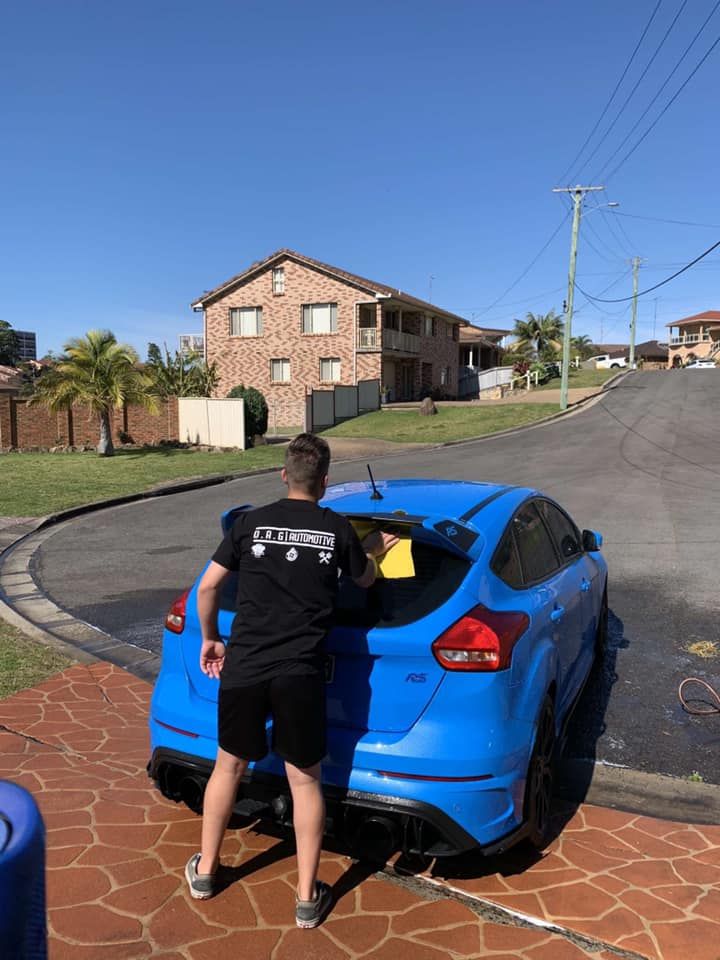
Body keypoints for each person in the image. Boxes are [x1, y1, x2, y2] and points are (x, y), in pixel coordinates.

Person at [184, 433, 397, 928]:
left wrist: (211, 638)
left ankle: (207, 872)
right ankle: (306, 898)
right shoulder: (336, 528)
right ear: (324, 483)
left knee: (228, 766)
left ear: (283, 475)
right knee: (304, 780)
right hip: (300, 671)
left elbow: (210, 585)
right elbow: (365, 581)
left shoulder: (248, 523)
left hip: (245, 666)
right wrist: (369, 550)